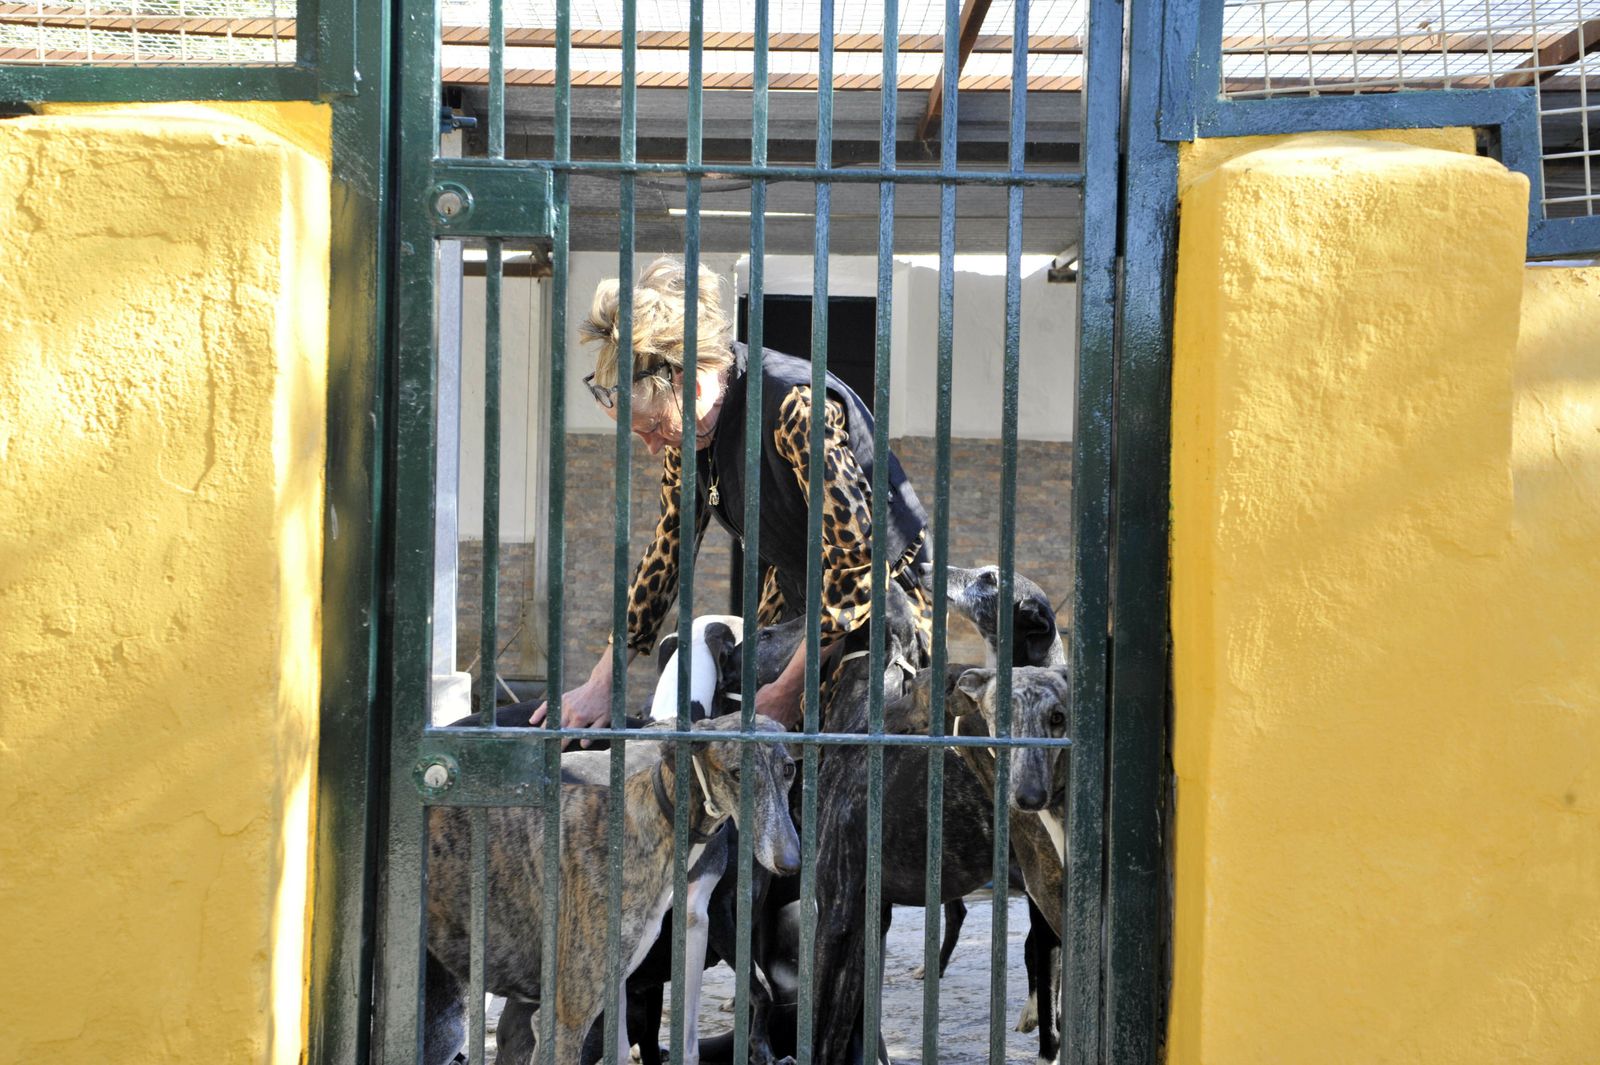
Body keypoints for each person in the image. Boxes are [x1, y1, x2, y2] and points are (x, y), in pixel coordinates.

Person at [531, 255, 932, 740]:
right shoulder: (691, 433)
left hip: (882, 595)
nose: (655, 446)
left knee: (847, 759)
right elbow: (667, 554)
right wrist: (603, 679)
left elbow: (854, 564)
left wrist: (789, 690)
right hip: (795, 591)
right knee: (737, 739)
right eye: (640, 435)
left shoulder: (794, 407)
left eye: (656, 427)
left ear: (690, 383)